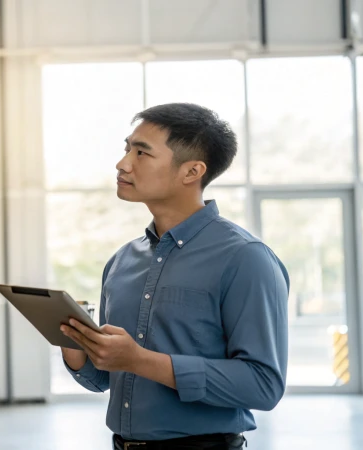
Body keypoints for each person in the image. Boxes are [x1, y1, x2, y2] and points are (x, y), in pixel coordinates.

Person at [61, 103, 290, 450]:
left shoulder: (246, 258)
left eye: (142, 153)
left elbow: (263, 385)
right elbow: (103, 379)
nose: (123, 163)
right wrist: (72, 341)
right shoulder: (122, 261)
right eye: (127, 149)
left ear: (191, 172)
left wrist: (140, 360)